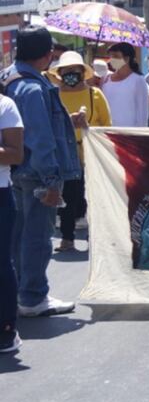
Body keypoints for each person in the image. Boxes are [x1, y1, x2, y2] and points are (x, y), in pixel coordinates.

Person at [0, 26, 79, 317]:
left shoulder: (9, 78)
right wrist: (52, 182)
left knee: (17, 237)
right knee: (37, 237)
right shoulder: (33, 88)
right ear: (47, 55)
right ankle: (33, 297)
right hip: (35, 172)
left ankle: (19, 292)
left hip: (14, 171)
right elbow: (40, 138)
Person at [51, 51, 111, 253]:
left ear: (82, 72)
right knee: (68, 196)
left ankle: (94, 237)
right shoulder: (54, 96)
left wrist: (87, 128)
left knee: (93, 196)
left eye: (74, 70)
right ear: (60, 73)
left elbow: (107, 125)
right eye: (66, 71)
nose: (70, 74)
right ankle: (67, 237)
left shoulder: (95, 95)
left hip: (91, 152)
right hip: (65, 154)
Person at [0, 90, 23, 352]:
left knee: (1, 264)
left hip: (1, 194)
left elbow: (15, 154)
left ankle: (6, 328)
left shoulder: (5, 106)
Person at [101, 42, 149, 127]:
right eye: (111, 56)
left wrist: (140, 132)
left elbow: (142, 112)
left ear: (127, 58)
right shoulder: (106, 79)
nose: (112, 59)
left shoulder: (138, 80)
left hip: (129, 131)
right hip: (108, 130)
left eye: (116, 56)